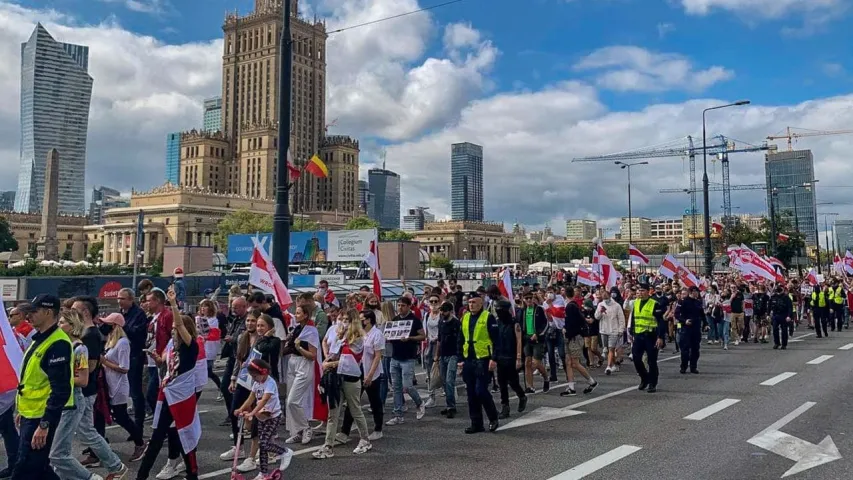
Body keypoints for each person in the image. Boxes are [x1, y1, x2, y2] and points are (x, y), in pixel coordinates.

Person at [136, 287, 201, 480]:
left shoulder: (191, 346)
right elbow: (167, 364)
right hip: (168, 394)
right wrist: (158, 359)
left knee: (185, 435)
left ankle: (192, 473)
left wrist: (172, 303)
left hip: (183, 396)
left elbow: (180, 325)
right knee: (157, 436)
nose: (173, 332)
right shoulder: (173, 348)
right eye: (172, 330)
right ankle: (142, 475)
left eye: (175, 330)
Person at [11, 295, 74, 480]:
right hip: (31, 414)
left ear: (48, 312)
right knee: (39, 469)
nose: (28, 316)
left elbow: (61, 390)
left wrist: (45, 424)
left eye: (33, 312)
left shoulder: (57, 344)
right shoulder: (40, 338)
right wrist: (22, 410)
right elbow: (32, 380)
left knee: (25, 469)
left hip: (41, 417)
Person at [70, 296, 129, 476]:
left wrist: (67, 374)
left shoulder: (90, 335)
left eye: (74, 310)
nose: (71, 314)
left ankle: (114, 465)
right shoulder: (85, 333)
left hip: (86, 391)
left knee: (87, 431)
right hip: (84, 389)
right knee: (85, 431)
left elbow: (92, 365)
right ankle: (112, 464)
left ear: (85, 312)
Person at [313, 309, 372, 459]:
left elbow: (348, 359)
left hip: (351, 378)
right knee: (333, 413)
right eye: (342, 319)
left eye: (347, 320)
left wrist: (330, 363)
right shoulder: (340, 336)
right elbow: (332, 352)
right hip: (336, 378)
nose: (343, 322)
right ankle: (328, 446)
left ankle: (365, 439)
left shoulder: (358, 338)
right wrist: (328, 360)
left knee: (355, 410)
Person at [234, 359, 293, 478]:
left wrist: (252, 413)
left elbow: (264, 400)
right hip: (261, 417)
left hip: (272, 417)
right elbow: (251, 399)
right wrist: (240, 409)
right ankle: (263, 473)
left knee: (264, 444)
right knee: (262, 446)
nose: (254, 379)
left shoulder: (270, 383)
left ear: (264, 372)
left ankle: (284, 452)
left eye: (255, 376)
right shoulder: (257, 384)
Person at [456, 295, 500, 434]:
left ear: (481, 303)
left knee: (480, 390)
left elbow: (496, 340)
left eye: (474, 302)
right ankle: (476, 423)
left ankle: (493, 417)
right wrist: (460, 359)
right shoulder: (465, 317)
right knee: (471, 393)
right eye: (469, 302)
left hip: (483, 359)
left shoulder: (488, 317)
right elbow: (460, 339)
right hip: (469, 359)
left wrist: (494, 359)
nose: (471, 304)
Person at [339, 309, 385, 440]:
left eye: (362, 319)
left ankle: (378, 428)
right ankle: (345, 431)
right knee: (352, 401)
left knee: (374, 401)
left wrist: (369, 375)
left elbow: (377, 356)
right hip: (358, 370)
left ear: (369, 320)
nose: (360, 321)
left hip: (372, 372)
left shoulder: (377, 334)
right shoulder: (359, 333)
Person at [284, 305, 323, 445]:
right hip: (293, 363)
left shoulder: (311, 331)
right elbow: (288, 348)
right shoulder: (296, 329)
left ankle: (306, 427)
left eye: (299, 313)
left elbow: (312, 355)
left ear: (306, 315)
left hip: (304, 365)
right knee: (290, 401)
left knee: (292, 401)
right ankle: (298, 431)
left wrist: (299, 347)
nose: (296, 314)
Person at [385, 296, 426, 426]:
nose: (400, 308)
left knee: (407, 386)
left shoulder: (414, 320)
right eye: (398, 305)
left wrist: (410, 338)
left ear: (409, 306)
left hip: (408, 357)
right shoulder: (395, 320)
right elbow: (389, 335)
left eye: (403, 305)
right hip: (395, 356)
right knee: (396, 387)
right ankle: (398, 414)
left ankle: (419, 402)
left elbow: (423, 336)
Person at [117, 287, 149, 433]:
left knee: (136, 392)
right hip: (120, 356)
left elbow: (137, 334)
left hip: (135, 356)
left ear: (131, 299)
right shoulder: (120, 313)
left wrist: (122, 325)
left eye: (122, 299)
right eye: (118, 298)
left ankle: (138, 427)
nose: (119, 301)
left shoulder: (138, 314)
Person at [629, 284, 666, 393]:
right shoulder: (636, 303)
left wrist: (660, 337)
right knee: (636, 358)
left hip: (651, 336)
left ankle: (652, 383)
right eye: (639, 290)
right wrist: (631, 332)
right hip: (638, 336)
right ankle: (644, 378)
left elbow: (661, 322)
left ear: (648, 291)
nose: (640, 292)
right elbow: (634, 319)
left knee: (651, 361)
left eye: (642, 290)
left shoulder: (654, 304)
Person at [493, 300, 526, 419]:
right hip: (501, 356)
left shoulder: (514, 323)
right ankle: (505, 407)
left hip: (512, 356)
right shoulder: (497, 323)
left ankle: (522, 396)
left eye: (500, 309)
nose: (498, 312)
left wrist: (518, 358)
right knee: (501, 383)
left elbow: (519, 340)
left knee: (513, 382)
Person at [435, 301, 461, 418]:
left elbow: (460, 340)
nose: (442, 313)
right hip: (443, 354)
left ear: (450, 311)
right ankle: (449, 404)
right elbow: (439, 339)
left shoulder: (456, 323)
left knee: (450, 380)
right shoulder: (441, 322)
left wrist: (460, 357)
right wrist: (437, 354)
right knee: (445, 381)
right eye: (441, 310)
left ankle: (451, 407)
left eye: (444, 311)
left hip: (453, 354)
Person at [677, 286, 704, 374]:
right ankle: (683, 366)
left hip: (696, 328)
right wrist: (684, 321)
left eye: (697, 292)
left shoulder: (698, 302)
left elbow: (702, 314)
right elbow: (677, 314)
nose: (697, 293)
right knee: (685, 348)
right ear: (691, 292)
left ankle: (693, 366)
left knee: (695, 349)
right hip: (686, 328)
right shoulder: (683, 302)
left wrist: (706, 324)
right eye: (695, 291)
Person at [770, 285, 794, 350]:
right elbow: (769, 306)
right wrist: (768, 314)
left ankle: (784, 344)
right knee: (775, 329)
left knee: (784, 330)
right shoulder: (773, 297)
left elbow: (790, 307)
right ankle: (777, 343)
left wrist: (789, 316)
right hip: (775, 315)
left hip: (784, 315)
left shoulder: (786, 297)